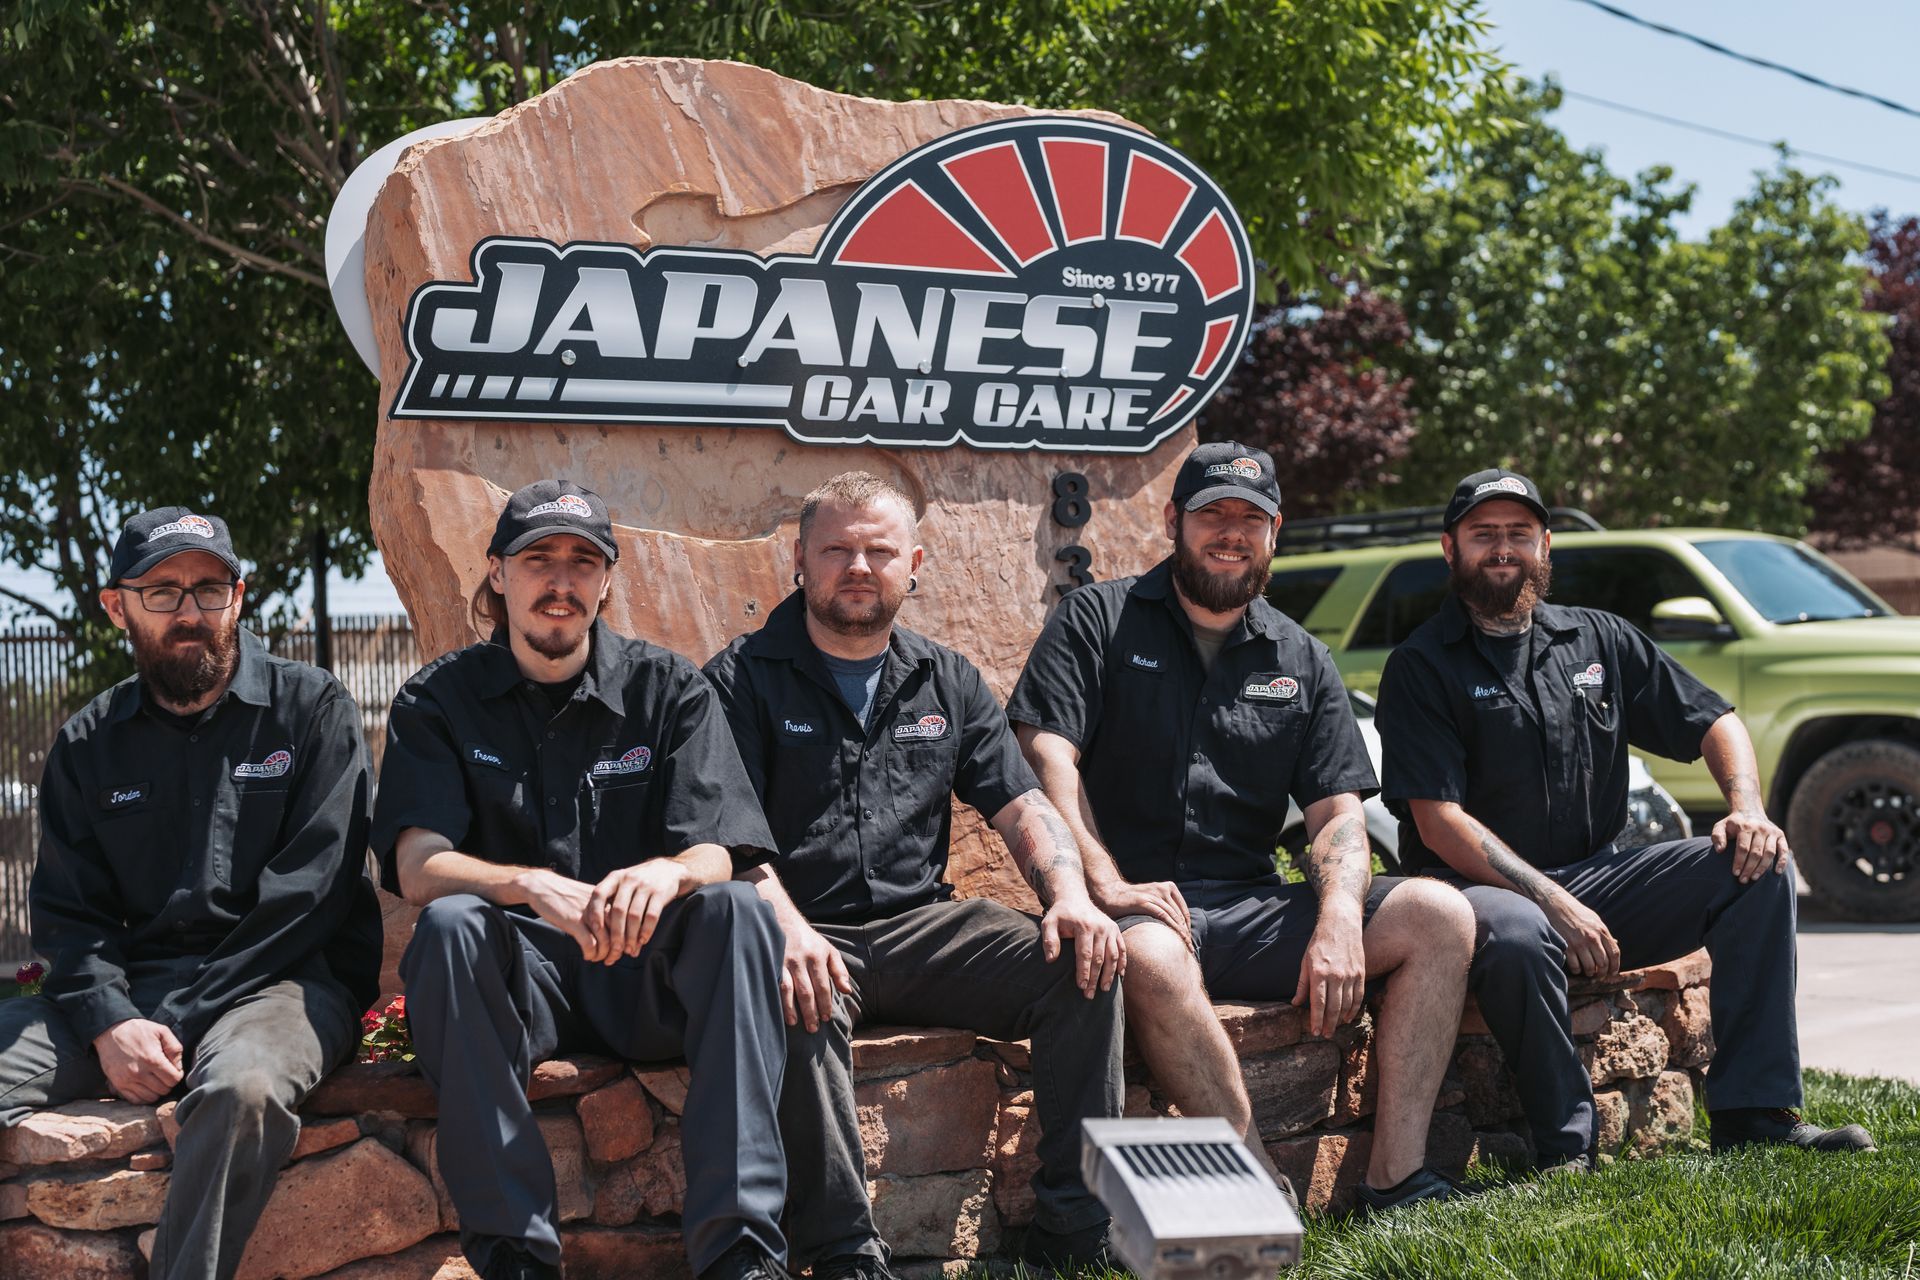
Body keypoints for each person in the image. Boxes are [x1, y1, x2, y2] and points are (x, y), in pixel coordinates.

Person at [1010, 443, 1478, 1214]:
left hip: (1254, 906)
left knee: (1440, 914)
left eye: (1250, 520)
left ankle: (1397, 1178)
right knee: (1151, 958)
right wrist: (1102, 877)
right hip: (1138, 907)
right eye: (1212, 515)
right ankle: (1262, 1187)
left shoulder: (1301, 656)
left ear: (1274, 532)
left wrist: (1336, 920)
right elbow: (1045, 751)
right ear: (1173, 521)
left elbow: (1336, 809)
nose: (1231, 533)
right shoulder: (1097, 618)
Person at [1375, 467, 1876, 1167]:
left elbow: (1715, 720)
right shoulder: (1421, 666)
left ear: (1546, 546)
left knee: (1757, 867)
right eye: (1482, 534)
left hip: (1598, 879)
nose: (1502, 548)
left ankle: (1754, 1113)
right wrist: (1552, 901)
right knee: (1522, 935)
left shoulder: (1598, 639)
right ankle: (1567, 1149)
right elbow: (1437, 821)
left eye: (1518, 533)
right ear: (1449, 548)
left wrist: (1747, 809)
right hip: (1472, 892)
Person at [702, 472, 1126, 1277]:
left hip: (924, 927)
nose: (858, 566)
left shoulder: (948, 679)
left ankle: (1074, 1234)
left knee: (1083, 962)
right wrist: (786, 933)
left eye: (879, 551)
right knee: (794, 991)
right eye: (836, 549)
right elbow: (728, 842)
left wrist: (1070, 896)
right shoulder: (739, 679)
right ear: (799, 559)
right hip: (805, 925)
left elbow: (1021, 805)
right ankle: (843, 1254)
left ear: (915, 564)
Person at [372, 481, 791, 1280]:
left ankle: (739, 1258)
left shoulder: (668, 688)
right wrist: (529, 884)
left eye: (582, 562)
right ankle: (515, 1259)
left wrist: (667, 874)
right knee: (451, 926)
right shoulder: (440, 698)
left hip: (645, 978)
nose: (559, 581)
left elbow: (723, 848)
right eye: (538, 559)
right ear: (498, 574)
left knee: (738, 913)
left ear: (605, 581)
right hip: (520, 984)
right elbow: (418, 863)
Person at [3, 507, 381, 1279]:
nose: (189, 613)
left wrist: (163, 1022)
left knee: (243, 1089)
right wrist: (111, 1023)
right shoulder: (87, 745)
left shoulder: (312, 713)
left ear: (238, 597)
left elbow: (310, 898)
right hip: (135, 990)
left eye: (209, 590)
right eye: (163, 592)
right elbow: (70, 918)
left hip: (282, 984)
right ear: (118, 606)